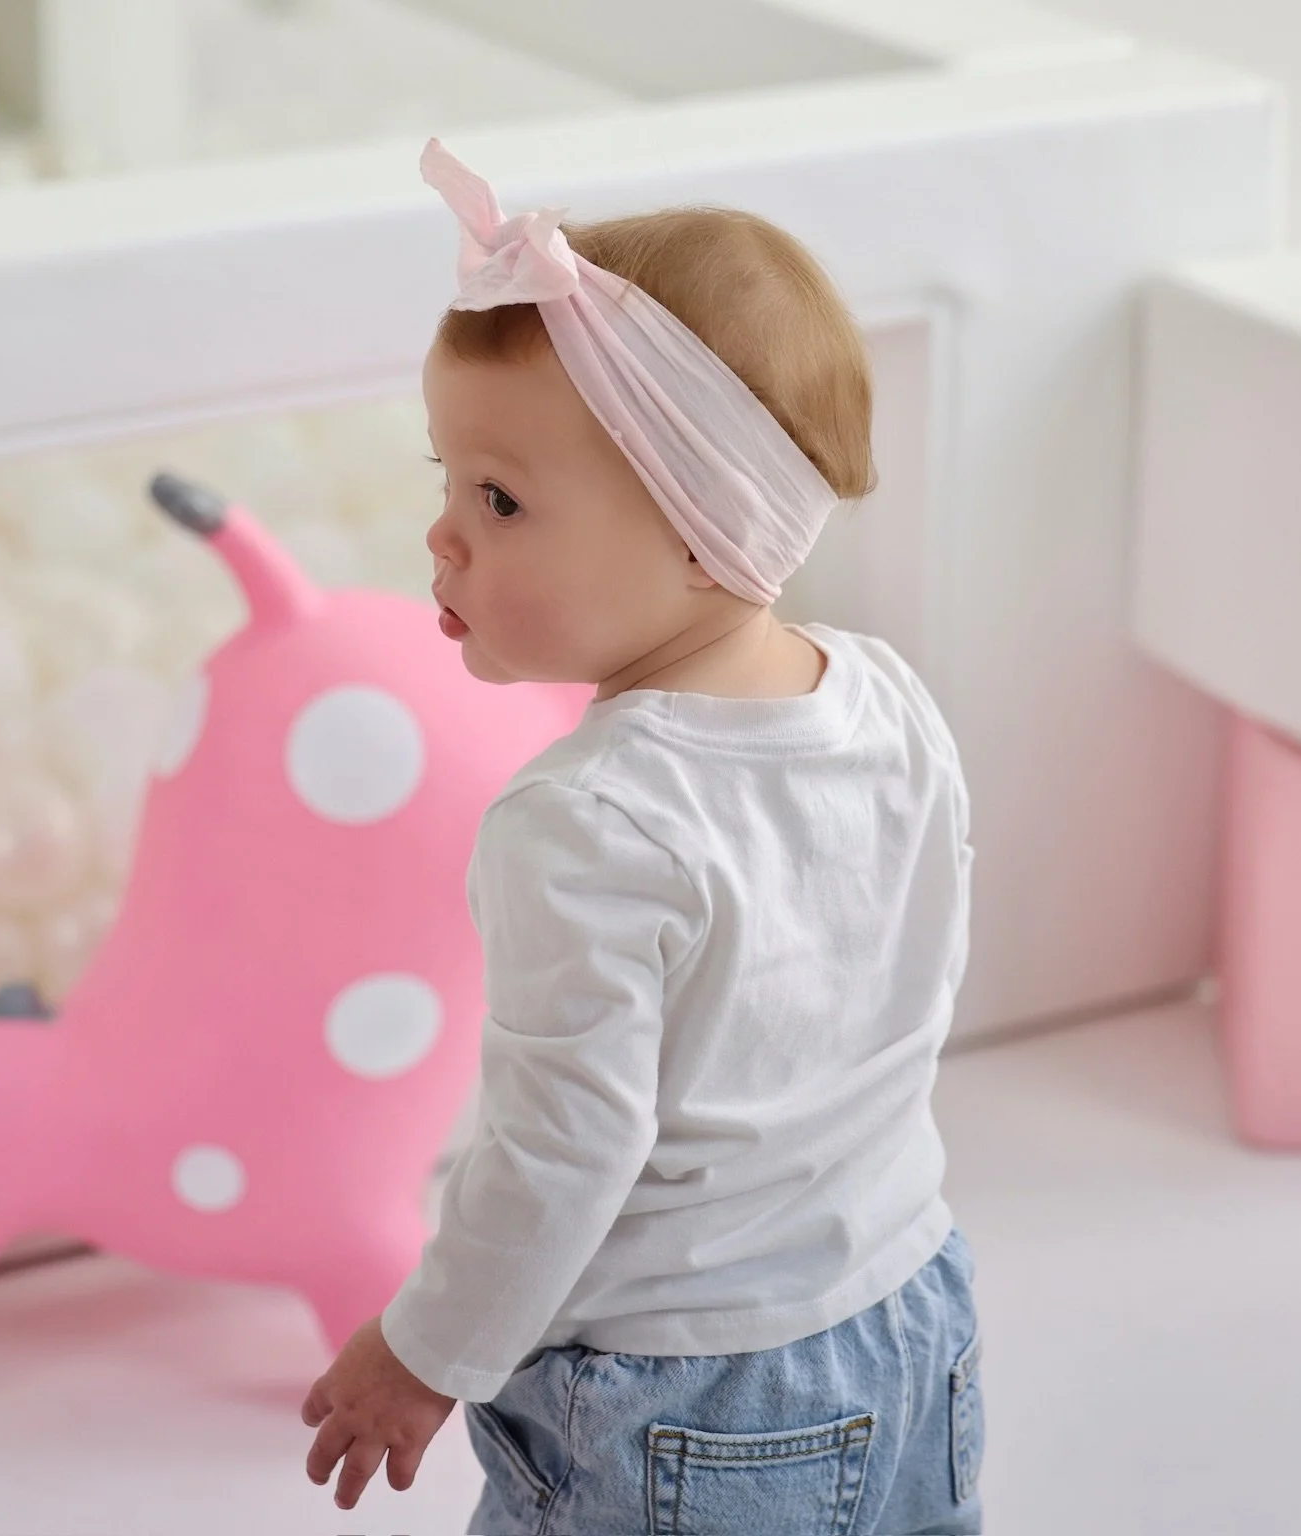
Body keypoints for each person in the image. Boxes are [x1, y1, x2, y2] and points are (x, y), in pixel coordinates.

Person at [300, 138, 983, 1534]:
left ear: (699, 530)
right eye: (449, 482)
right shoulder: (887, 700)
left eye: (499, 501)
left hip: (688, 1395)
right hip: (911, 1304)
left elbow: (562, 1149)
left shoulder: (587, 818)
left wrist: (426, 1350)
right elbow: (913, 980)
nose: (442, 539)